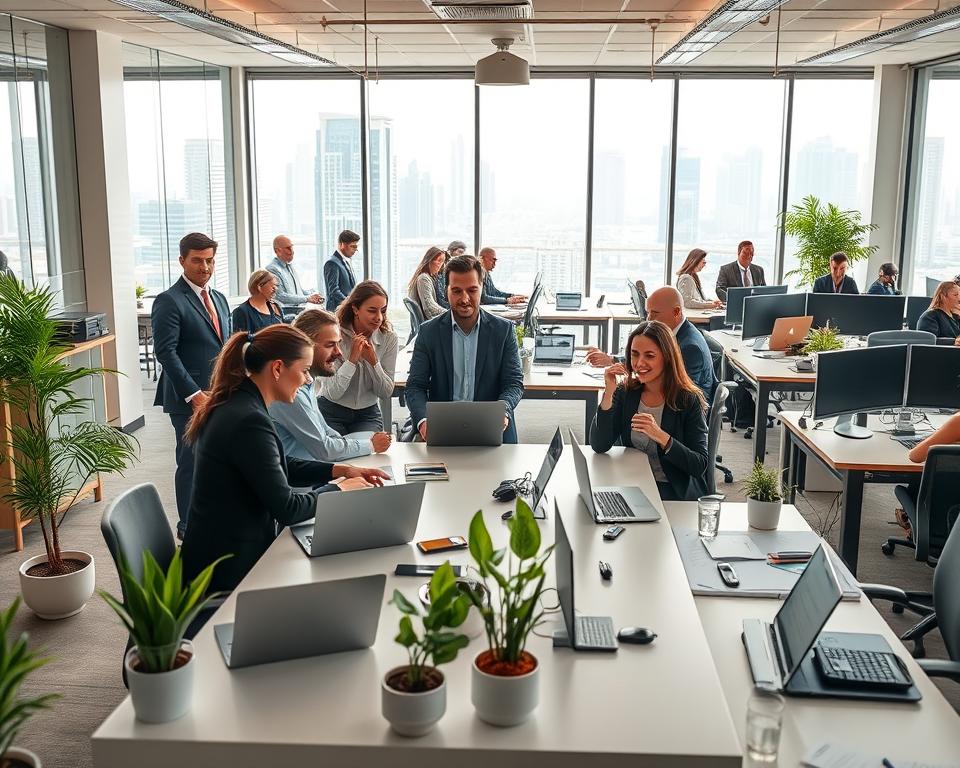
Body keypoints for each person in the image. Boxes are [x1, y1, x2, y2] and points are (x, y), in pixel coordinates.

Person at [180, 325, 388, 593]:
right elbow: (287, 509)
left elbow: (278, 465)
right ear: (277, 369)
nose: (307, 380)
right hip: (229, 572)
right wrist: (339, 489)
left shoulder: (241, 403)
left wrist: (341, 471)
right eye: (303, 371)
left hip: (226, 552)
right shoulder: (248, 419)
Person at [151, 232, 232, 540]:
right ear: (182, 260)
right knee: (191, 462)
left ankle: (214, 517)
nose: (205, 267)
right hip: (188, 398)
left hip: (220, 394)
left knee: (218, 459)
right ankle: (188, 528)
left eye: (210, 260)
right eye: (197, 260)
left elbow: (225, 346)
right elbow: (165, 353)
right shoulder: (169, 300)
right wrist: (194, 394)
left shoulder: (220, 299)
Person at [406, 254, 524, 444]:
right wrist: (423, 421)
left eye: (472, 290)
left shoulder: (503, 331)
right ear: (446, 291)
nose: (465, 298)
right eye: (457, 291)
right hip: (442, 430)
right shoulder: (429, 332)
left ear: (481, 289)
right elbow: (415, 386)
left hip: (494, 431)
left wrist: (503, 411)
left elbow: (513, 383)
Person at [589, 321, 709, 502]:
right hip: (633, 484)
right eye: (634, 354)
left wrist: (661, 436)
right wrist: (608, 394)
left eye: (650, 356)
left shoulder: (687, 400)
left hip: (672, 492)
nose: (639, 363)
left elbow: (699, 465)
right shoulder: (626, 392)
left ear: (667, 358)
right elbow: (600, 445)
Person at [270, 310, 391, 461]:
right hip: (305, 481)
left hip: (316, 471)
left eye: (338, 344)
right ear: (305, 346)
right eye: (330, 345)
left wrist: (351, 445)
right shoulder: (291, 393)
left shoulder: (307, 382)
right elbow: (325, 450)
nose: (339, 352)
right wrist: (370, 445)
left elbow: (325, 431)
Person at [585, 286, 717, 404]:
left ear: (676, 312)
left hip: (681, 417)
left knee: (617, 400)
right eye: (648, 312)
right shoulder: (674, 333)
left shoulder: (689, 348)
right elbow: (650, 357)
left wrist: (632, 383)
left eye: (654, 313)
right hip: (671, 403)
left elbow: (678, 395)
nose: (649, 318)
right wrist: (612, 360)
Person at [318, 280, 399, 434]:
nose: (379, 317)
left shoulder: (389, 338)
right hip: (330, 409)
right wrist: (352, 360)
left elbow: (386, 392)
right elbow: (332, 392)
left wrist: (373, 362)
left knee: (368, 451)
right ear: (355, 309)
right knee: (335, 452)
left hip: (367, 414)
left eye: (383, 310)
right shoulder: (334, 335)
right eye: (372, 310)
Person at [265, 235, 323, 315]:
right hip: (287, 314)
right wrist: (307, 298)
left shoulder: (290, 266)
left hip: (298, 311)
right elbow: (281, 296)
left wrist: (312, 294)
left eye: (292, 247)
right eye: (288, 248)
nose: (292, 251)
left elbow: (299, 292)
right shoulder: (272, 269)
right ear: (277, 251)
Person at [408, 246, 448, 320]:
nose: (441, 264)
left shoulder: (430, 278)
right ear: (430, 260)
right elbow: (429, 307)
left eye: (442, 261)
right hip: (429, 326)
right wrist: (450, 314)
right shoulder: (423, 278)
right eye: (439, 260)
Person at [324, 229, 360, 312]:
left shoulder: (345, 262)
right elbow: (334, 290)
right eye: (353, 246)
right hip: (337, 311)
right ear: (342, 245)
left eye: (356, 247)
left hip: (346, 310)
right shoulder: (332, 263)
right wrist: (349, 303)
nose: (355, 250)